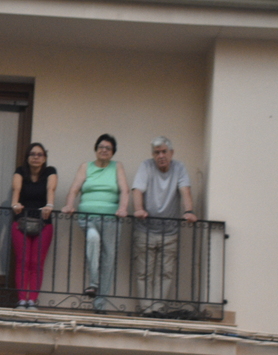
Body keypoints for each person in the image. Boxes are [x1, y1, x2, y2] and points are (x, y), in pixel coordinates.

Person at [61, 134, 128, 311]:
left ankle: (100, 304)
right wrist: (69, 205)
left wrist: (122, 208)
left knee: (108, 259)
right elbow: (74, 189)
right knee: (93, 240)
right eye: (101, 147)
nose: (104, 150)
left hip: (111, 220)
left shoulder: (117, 167)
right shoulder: (86, 167)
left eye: (108, 148)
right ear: (95, 149)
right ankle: (93, 282)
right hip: (88, 218)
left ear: (113, 152)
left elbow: (124, 190)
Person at [130, 137, 197, 313]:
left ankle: (158, 309)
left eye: (164, 151)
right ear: (152, 155)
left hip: (170, 232)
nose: (160, 156)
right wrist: (138, 209)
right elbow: (137, 190)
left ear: (171, 153)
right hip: (145, 229)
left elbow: (185, 190)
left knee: (165, 272)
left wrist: (188, 211)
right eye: (156, 152)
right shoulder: (146, 166)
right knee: (144, 272)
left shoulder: (179, 167)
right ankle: (146, 310)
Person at [11, 142, 58, 308]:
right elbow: (16, 191)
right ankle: (22, 298)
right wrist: (15, 204)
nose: (36, 157)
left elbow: (50, 190)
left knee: (37, 262)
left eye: (39, 154)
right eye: (32, 154)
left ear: (44, 158)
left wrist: (50, 206)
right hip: (21, 221)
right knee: (23, 260)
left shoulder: (50, 171)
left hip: (43, 222)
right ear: (27, 157)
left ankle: (32, 299)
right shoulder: (20, 171)